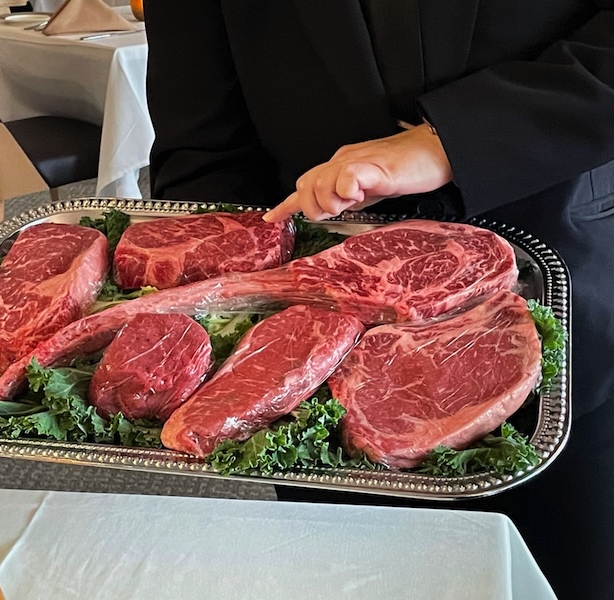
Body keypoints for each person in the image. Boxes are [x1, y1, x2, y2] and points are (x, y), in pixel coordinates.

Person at [143, 2, 614, 598]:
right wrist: (219, 308)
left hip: (555, 269)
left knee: (570, 567)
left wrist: (453, 140)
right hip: (313, 344)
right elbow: (205, 144)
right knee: (351, 579)